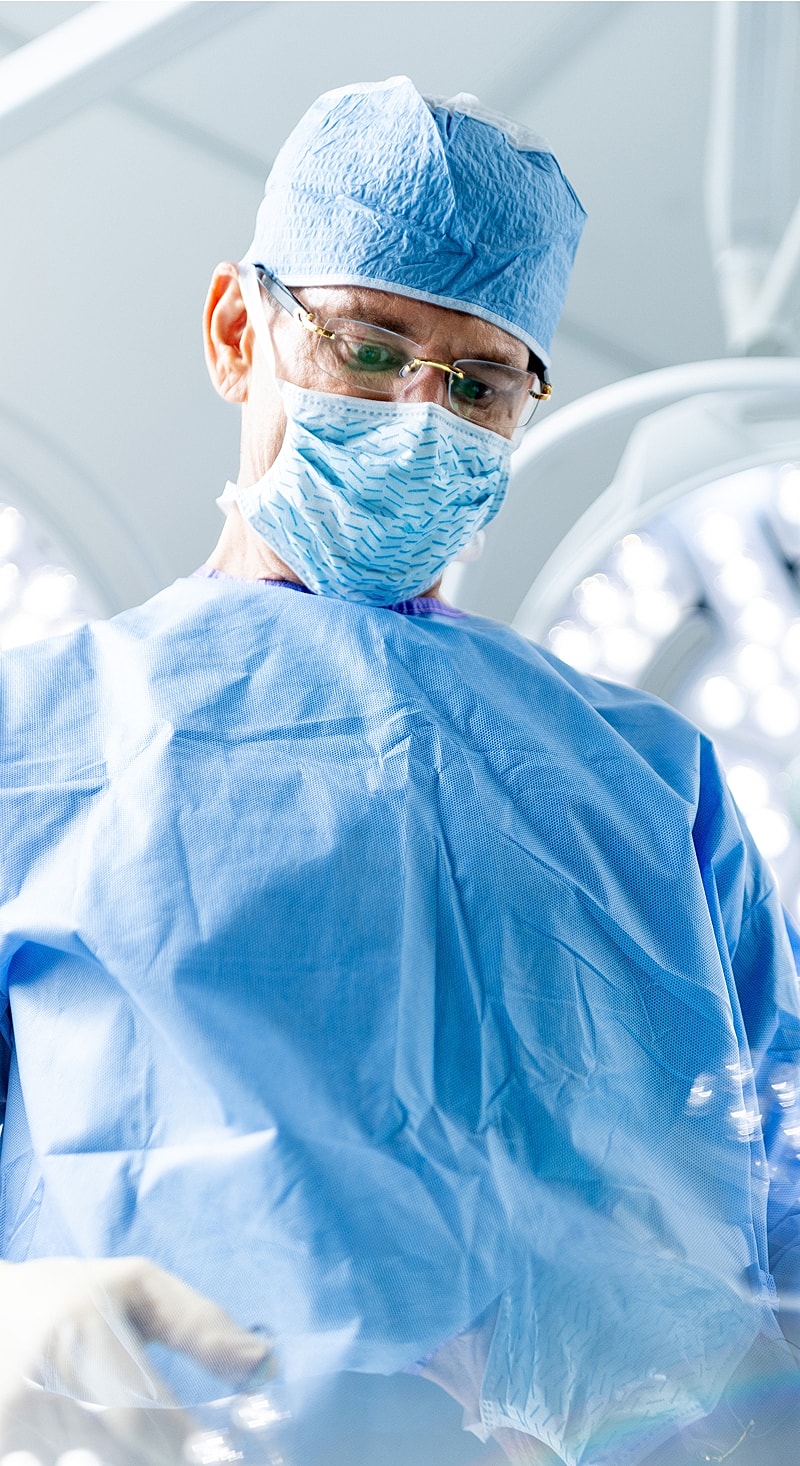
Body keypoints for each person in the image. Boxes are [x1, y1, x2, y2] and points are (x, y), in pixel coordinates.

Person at [2, 74, 800, 1466]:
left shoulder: (651, 786)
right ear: (236, 332)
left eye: (479, 382)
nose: (421, 414)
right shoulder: (40, 742)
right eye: (369, 352)